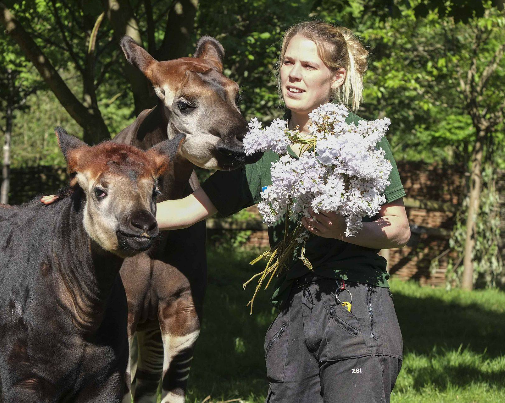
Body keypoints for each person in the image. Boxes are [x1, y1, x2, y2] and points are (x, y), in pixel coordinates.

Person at [155, 21, 411, 403]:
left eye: (308, 67)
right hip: (291, 314)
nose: (293, 74)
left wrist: (343, 229)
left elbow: (400, 229)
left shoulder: (360, 139)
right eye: (287, 62)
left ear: (336, 76)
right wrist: (87, 210)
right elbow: (183, 210)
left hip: (356, 310)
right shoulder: (263, 148)